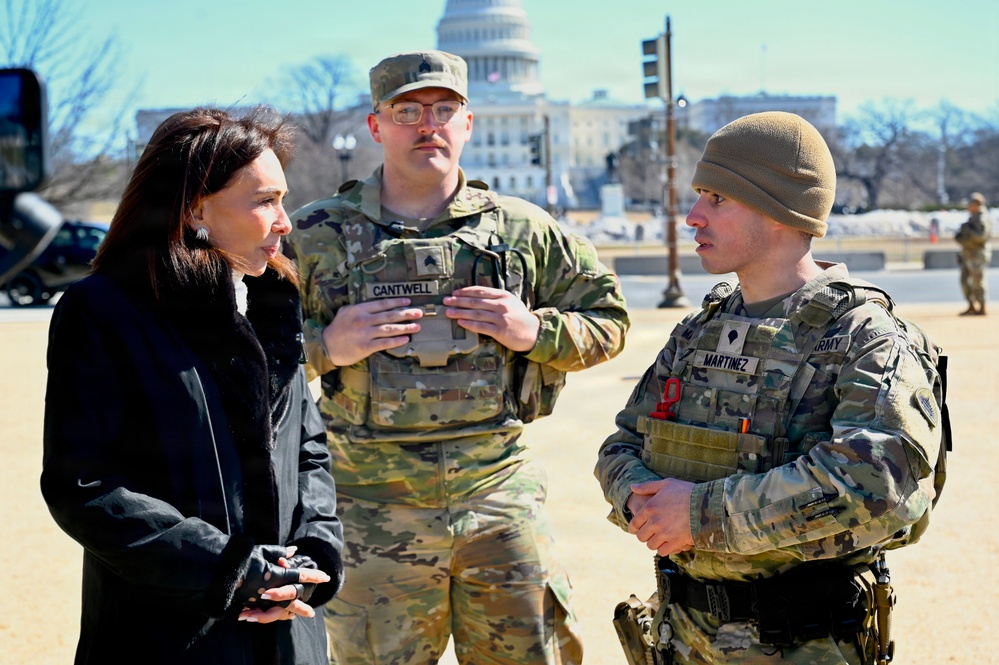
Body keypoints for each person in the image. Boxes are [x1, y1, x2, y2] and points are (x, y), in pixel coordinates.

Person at [286, 50, 629, 665]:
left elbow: (609, 323)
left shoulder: (524, 231)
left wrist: (534, 331)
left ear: (467, 122)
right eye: (408, 111)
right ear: (376, 126)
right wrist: (325, 346)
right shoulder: (314, 236)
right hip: (369, 507)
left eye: (444, 110)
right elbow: (242, 359)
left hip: (497, 499)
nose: (428, 125)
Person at [596, 112, 942, 664]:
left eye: (716, 199)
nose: (692, 217)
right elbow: (622, 445)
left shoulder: (863, 337)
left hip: (802, 640)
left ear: (779, 210)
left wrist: (699, 515)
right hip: (680, 636)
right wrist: (642, 499)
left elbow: (877, 484)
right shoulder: (699, 331)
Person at [41, 107, 346, 664]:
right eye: (263, 201)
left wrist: (309, 561)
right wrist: (235, 572)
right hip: (166, 635)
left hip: (289, 636)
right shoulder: (102, 311)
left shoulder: (273, 303)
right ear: (194, 206)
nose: (285, 221)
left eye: (283, 198)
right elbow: (83, 486)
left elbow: (308, 450)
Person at [955, 191, 991, 316]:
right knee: (964, 281)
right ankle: (971, 305)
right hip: (968, 254)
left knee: (977, 281)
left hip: (977, 255)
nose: (967, 206)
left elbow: (981, 237)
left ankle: (982, 307)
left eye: (970, 204)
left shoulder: (981, 218)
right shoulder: (973, 217)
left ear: (976, 204)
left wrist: (967, 230)